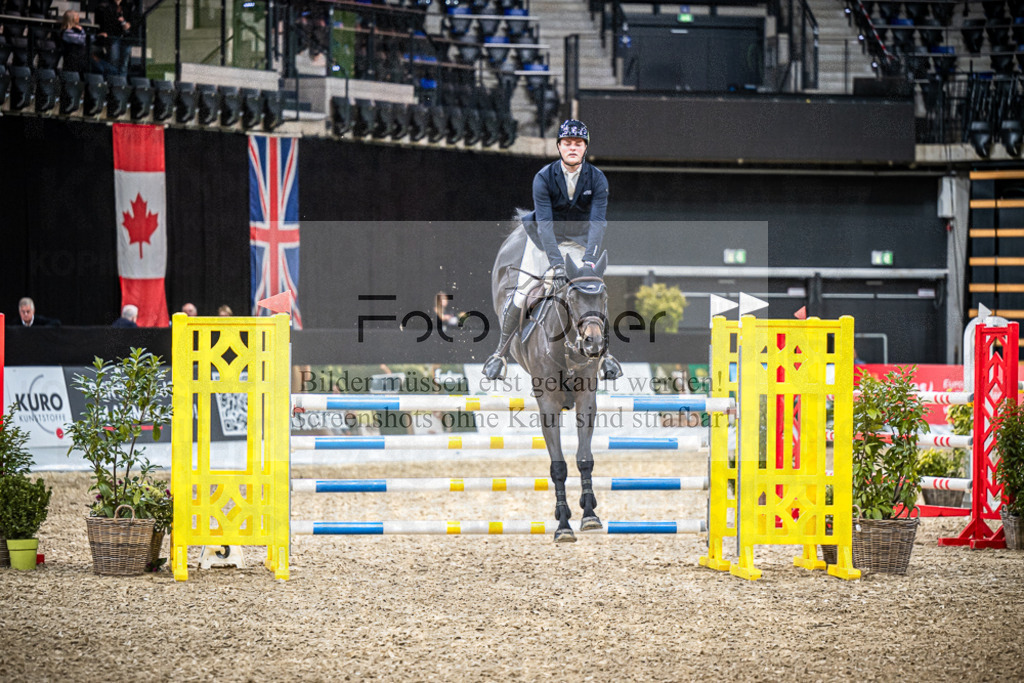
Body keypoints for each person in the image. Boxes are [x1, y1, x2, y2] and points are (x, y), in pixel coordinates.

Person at [482, 119, 623, 382]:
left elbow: (597, 223)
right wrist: (557, 265)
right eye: (567, 143)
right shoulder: (544, 178)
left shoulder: (598, 179)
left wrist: (590, 260)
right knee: (522, 292)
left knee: (593, 290)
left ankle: (605, 357)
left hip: (579, 244)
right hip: (543, 243)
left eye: (578, 144)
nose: (572, 148)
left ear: (585, 148)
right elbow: (545, 226)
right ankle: (499, 354)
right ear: (559, 146)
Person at [95, 0, 131, 75]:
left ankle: (121, 83)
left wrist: (128, 24)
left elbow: (132, 21)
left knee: (124, 63)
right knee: (114, 61)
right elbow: (104, 22)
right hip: (113, 36)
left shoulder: (127, 6)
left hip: (126, 37)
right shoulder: (105, 6)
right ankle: (113, 81)